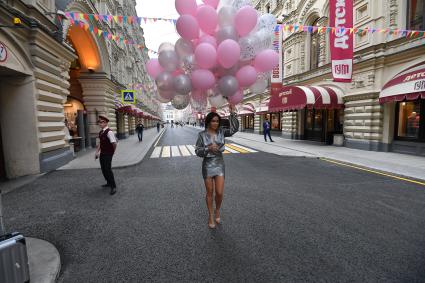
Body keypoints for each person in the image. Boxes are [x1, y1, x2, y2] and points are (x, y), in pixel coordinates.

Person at [195, 105, 239, 229]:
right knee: (210, 192)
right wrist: (207, 148)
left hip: (219, 163)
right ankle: (210, 216)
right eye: (213, 121)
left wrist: (233, 114)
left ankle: (217, 210)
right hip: (207, 164)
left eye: (217, 121)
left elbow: (234, 129)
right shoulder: (201, 135)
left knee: (219, 193)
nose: (215, 123)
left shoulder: (221, 132)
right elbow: (197, 151)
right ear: (208, 122)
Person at [95, 115, 118, 195]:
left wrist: (113, 151)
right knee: (103, 169)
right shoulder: (101, 132)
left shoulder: (109, 132)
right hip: (103, 153)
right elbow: (100, 143)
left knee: (108, 169)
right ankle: (108, 182)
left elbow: (114, 143)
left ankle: (113, 186)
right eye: (99, 122)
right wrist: (97, 152)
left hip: (108, 153)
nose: (100, 124)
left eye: (102, 122)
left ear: (106, 123)